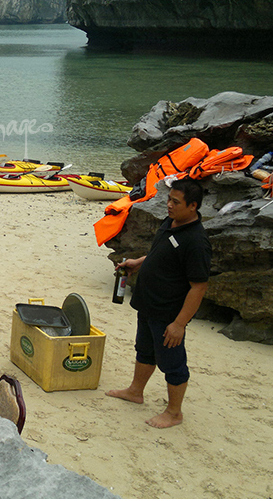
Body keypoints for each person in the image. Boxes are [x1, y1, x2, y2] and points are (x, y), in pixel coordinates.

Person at [106, 177, 212, 429]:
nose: (169, 205)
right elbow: (159, 252)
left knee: (172, 363)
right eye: (168, 199)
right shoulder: (171, 222)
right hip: (148, 304)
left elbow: (199, 287)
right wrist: (139, 262)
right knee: (144, 350)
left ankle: (174, 413)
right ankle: (135, 391)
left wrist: (179, 323)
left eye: (176, 202)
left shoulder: (196, 242)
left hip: (168, 312)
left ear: (193, 206)